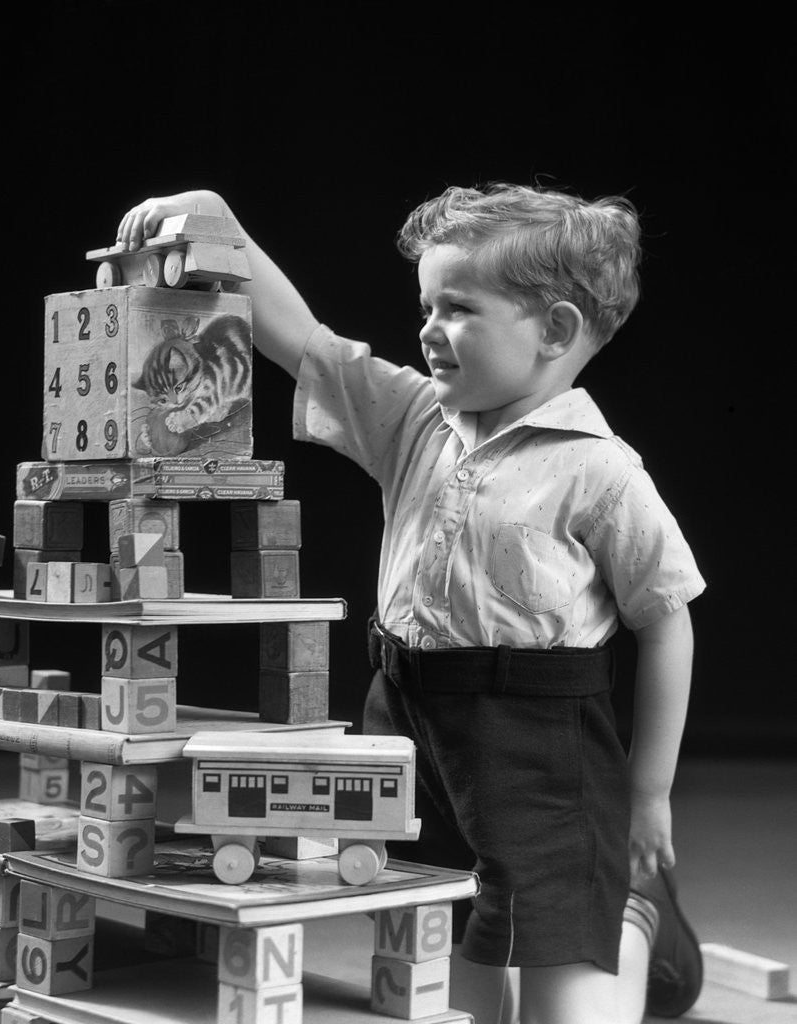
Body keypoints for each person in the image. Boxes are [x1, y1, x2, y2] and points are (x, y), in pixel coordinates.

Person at [116, 184, 706, 1024]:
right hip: (407, 717)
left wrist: (650, 793)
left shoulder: (601, 471)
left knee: (560, 983)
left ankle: (634, 921)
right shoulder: (414, 419)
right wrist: (220, 224)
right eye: (425, 303)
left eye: (458, 307)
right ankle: (572, 936)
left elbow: (666, 618)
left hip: (538, 741)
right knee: (441, 957)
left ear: (558, 331)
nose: (427, 326)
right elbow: (306, 343)